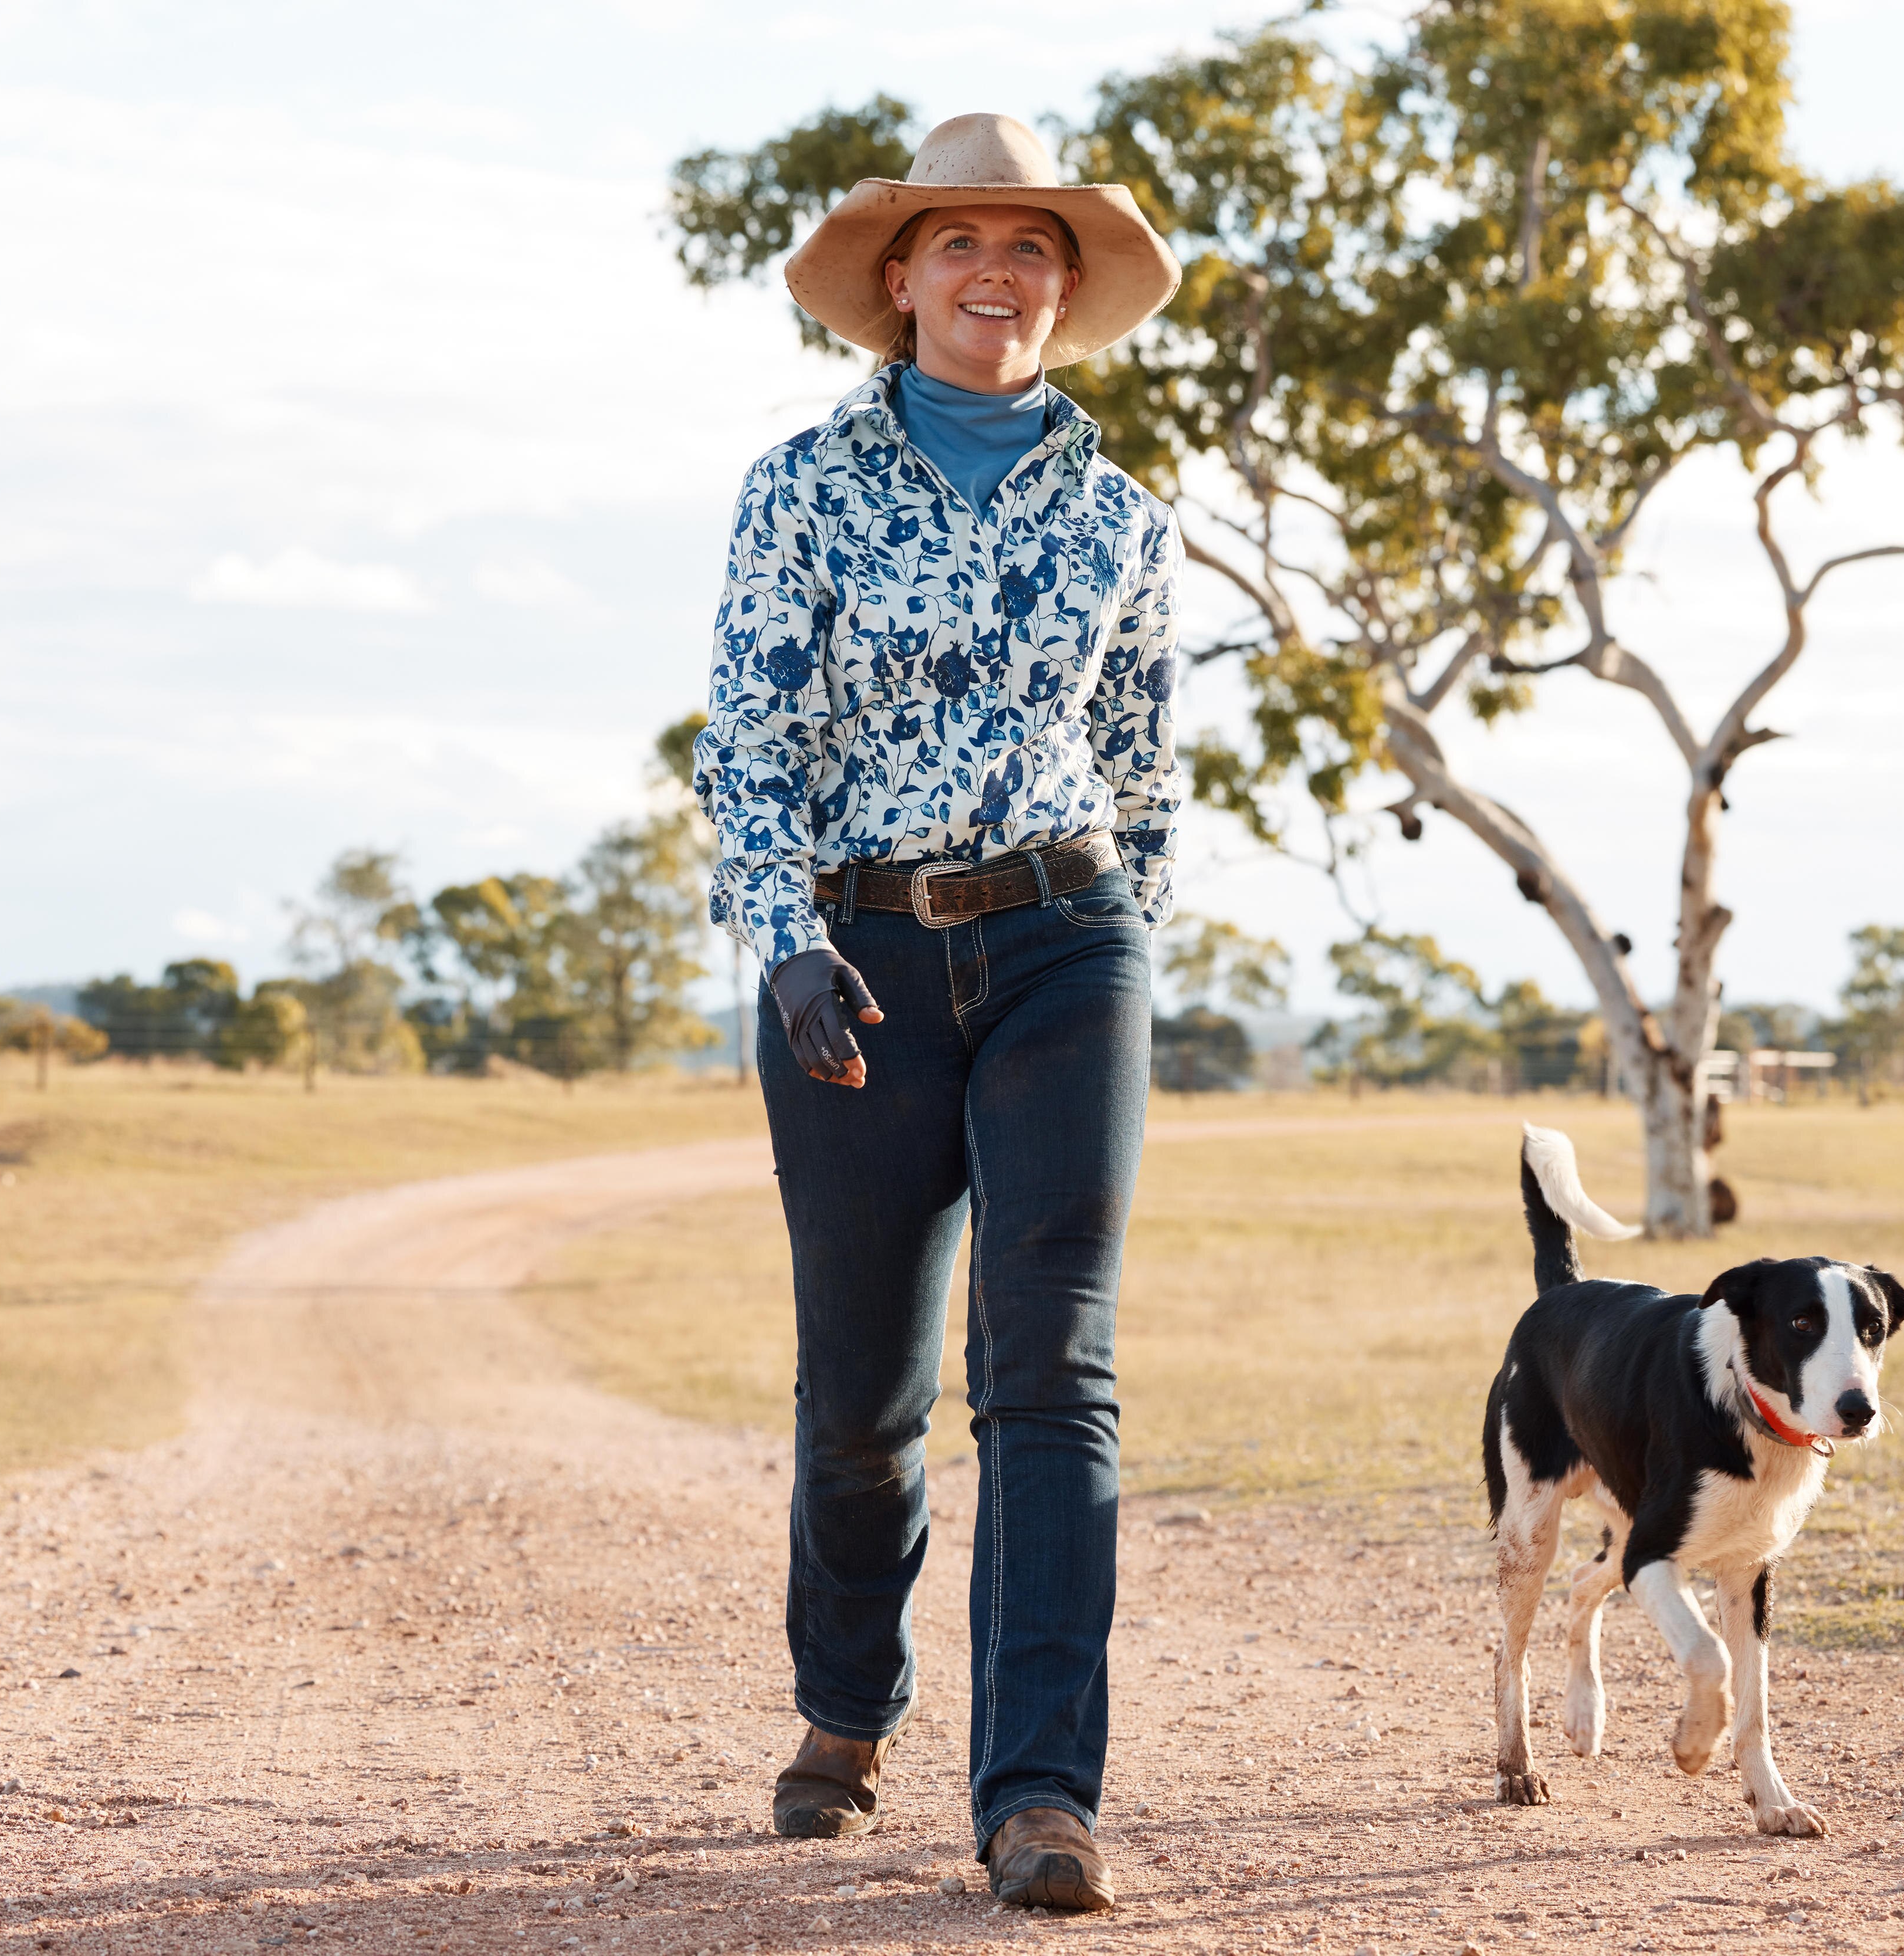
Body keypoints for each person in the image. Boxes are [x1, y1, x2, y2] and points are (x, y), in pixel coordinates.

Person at [689, 112, 1184, 1913]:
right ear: (898, 282)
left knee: (1054, 1369)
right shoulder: (799, 490)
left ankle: (1042, 1794)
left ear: (1067, 285)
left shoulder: (1125, 518)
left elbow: (1141, 774)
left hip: (1066, 938)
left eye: (1034, 245)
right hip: (859, 961)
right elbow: (747, 744)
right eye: (962, 242)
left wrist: (1134, 952)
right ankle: (847, 1700)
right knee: (864, 1395)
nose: (1000, 272)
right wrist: (786, 935)